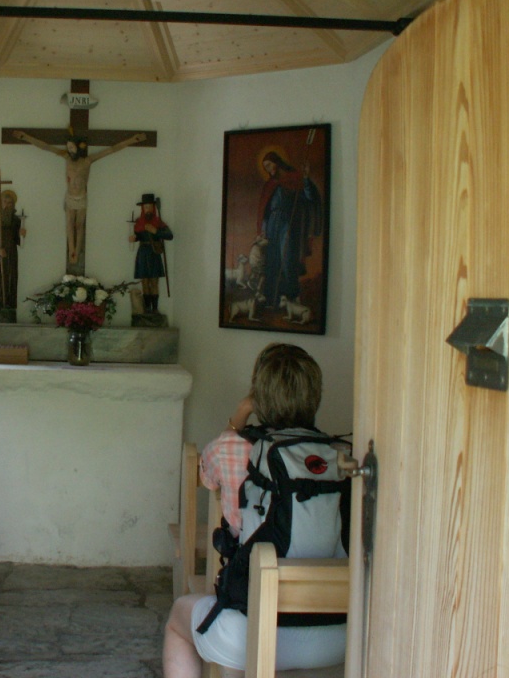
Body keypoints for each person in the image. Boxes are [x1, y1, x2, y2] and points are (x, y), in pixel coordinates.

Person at [162, 343, 346, 677]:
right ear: (315, 395)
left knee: (178, 620)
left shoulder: (233, 447)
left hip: (253, 629)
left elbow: (207, 476)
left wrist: (240, 415)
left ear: (258, 394)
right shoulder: (339, 456)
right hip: (336, 634)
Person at [13, 129, 146, 268]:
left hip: (82, 198)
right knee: (70, 224)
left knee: (79, 225)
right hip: (70, 198)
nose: (70, 150)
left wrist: (133, 140)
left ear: (78, 147)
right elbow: (46, 147)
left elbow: (111, 150)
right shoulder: (66, 158)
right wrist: (25, 137)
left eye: (72, 147)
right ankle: (72, 251)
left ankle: (77, 250)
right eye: (68, 147)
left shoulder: (87, 161)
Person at [256, 150, 323, 305]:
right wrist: (263, 229)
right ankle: (272, 298)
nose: (268, 169)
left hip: (288, 223)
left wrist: (305, 178)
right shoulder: (270, 185)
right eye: (265, 167)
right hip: (272, 223)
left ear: (277, 162)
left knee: (287, 257)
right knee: (272, 259)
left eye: (269, 165)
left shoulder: (294, 178)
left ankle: (291, 295)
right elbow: (265, 211)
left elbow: (310, 197)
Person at [130, 193, 173, 313]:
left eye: (149, 207)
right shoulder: (139, 222)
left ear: (153, 208)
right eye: (145, 207)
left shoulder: (158, 222)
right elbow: (138, 236)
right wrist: (134, 238)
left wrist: (156, 231)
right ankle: (147, 308)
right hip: (143, 253)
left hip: (154, 253)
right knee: (145, 282)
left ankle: (155, 309)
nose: (147, 209)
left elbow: (169, 235)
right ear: (142, 208)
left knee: (154, 281)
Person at [0, 189, 26, 310]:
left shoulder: (16, 221)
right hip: (0, 257)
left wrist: (22, 235)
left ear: (13, 205)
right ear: (1, 203)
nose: (7, 205)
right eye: (4, 202)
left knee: (11, 278)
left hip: (11, 255)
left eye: (10, 203)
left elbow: (19, 241)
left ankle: (9, 306)